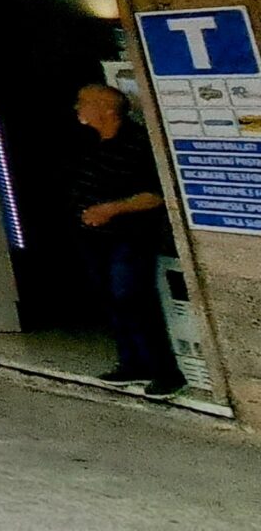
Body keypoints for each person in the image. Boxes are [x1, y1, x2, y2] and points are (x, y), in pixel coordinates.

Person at [73, 83, 185, 397]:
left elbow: (154, 195)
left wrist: (111, 209)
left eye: (84, 101)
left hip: (129, 236)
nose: (77, 107)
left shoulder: (136, 143)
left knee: (132, 297)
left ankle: (166, 371)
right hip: (95, 237)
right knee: (111, 298)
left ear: (108, 108)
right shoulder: (93, 143)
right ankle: (132, 363)